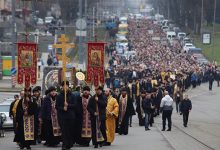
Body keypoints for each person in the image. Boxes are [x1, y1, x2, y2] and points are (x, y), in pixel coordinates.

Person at [56, 81, 76, 150]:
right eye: (63, 86)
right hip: (62, 116)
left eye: (66, 86)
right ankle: (64, 145)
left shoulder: (72, 95)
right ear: (62, 87)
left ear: (68, 86)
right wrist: (62, 108)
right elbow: (57, 106)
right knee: (64, 131)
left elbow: (75, 105)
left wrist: (68, 105)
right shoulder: (59, 96)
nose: (65, 87)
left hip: (70, 116)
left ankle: (69, 144)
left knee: (69, 131)